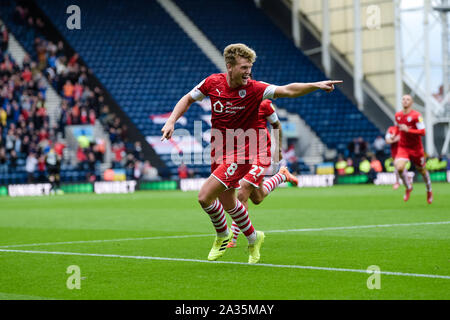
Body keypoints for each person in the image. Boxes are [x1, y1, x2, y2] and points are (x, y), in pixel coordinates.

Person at [161, 43, 342, 264]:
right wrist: (171, 121)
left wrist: (316, 85)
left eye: (250, 67)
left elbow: (288, 90)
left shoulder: (256, 89)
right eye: (244, 67)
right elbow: (188, 98)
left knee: (204, 197)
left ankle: (222, 235)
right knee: (229, 202)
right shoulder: (212, 83)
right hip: (219, 149)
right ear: (230, 67)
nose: (249, 72)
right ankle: (254, 238)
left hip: (244, 151)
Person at [227, 99, 298, 247]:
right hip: (243, 154)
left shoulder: (264, 103)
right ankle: (281, 175)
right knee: (257, 198)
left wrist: (278, 149)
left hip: (261, 154)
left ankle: (232, 238)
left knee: (242, 191)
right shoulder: (233, 101)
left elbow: (276, 125)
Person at [394, 95, 433, 204]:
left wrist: (409, 130)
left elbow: (423, 132)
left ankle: (429, 190)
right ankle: (408, 187)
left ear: (411, 103)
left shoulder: (417, 116)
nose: (405, 101)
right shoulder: (398, 115)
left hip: (416, 148)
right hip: (403, 147)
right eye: (403, 99)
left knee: (422, 170)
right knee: (400, 167)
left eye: (408, 99)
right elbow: (398, 128)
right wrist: (395, 135)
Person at [385, 125, 402, 189]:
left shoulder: (405, 128)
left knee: (399, 166)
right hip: (395, 152)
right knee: (398, 167)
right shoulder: (391, 129)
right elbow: (387, 141)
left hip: (405, 150)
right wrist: (396, 139)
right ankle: (398, 182)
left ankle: (398, 182)